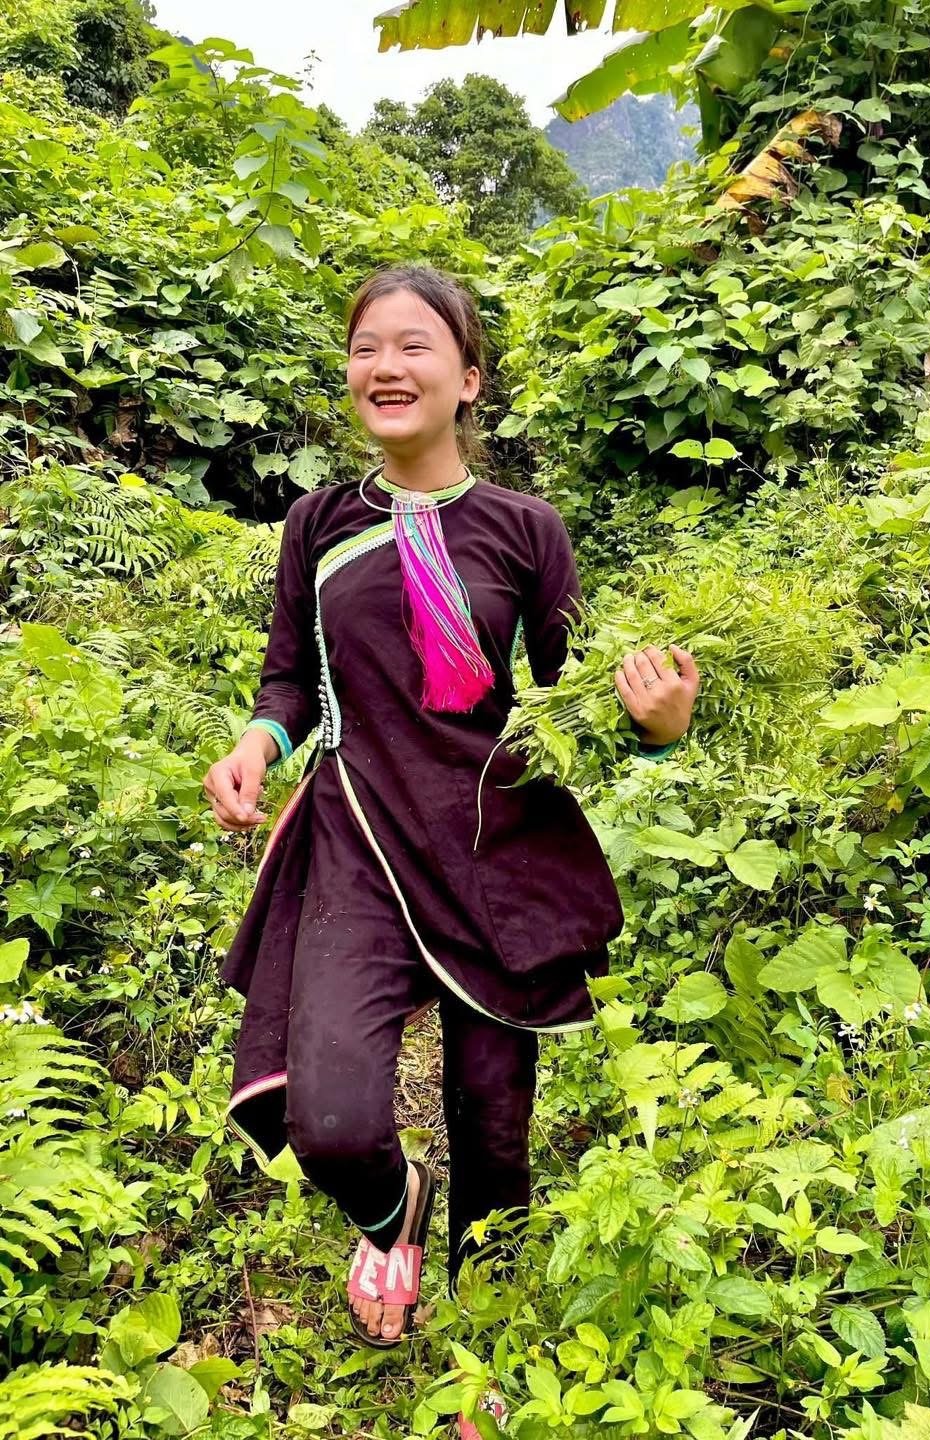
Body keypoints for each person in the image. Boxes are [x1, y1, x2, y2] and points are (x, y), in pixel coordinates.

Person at [204, 264, 699, 1356]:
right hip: (359, 842)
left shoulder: (526, 530)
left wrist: (657, 724)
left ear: (469, 378)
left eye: (415, 345)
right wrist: (256, 745)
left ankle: (486, 1324)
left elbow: (574, 699)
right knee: (330, 1124)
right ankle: (392, 1213)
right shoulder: (319, 523)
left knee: (495, 1131)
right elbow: (289, 680)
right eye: (366, 346)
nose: (386, 365)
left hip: (492, 844)